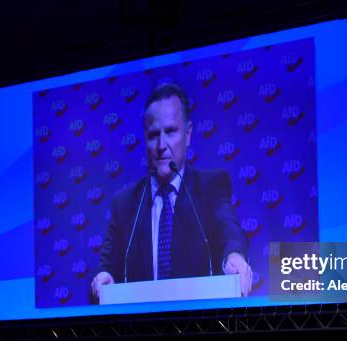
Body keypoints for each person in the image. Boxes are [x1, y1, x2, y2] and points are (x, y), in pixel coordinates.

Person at [91, 83, 252, 301]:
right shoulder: (126, 203)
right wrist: (104, 278)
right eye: (153, 134)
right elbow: (107, 265)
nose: (161, 145)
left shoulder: (211, 187)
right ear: (144, 140)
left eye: (170, 131)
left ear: (188, 135)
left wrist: (233, 257)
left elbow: (228, 231)